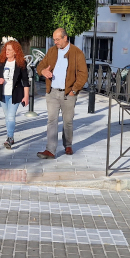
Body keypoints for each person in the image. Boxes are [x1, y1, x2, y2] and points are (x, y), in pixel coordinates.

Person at [36, 27, 88, 159]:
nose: (55, 42)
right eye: (54, 39)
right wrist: (43, 72)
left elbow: (83, 74)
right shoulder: (52, 51)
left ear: (65, 38)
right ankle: (50, 150)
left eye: (58, 39)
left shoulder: (77, 53)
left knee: (68, 121)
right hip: (52, 92)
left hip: (68, 94)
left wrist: (74, 90)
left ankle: (68, 144)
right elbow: (40, 66)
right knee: (51, 120)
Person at [0, 40, 30, 149]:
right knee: (7, 117)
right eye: (6, 49)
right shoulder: (0, 61)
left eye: (9, 50)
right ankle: (10, 137)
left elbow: (25, 81)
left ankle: (10, 137)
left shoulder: (21, 63)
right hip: (2, 94)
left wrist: (26, 96)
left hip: (15, 94)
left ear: (15, 51)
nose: (6, 51)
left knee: (11, 116)